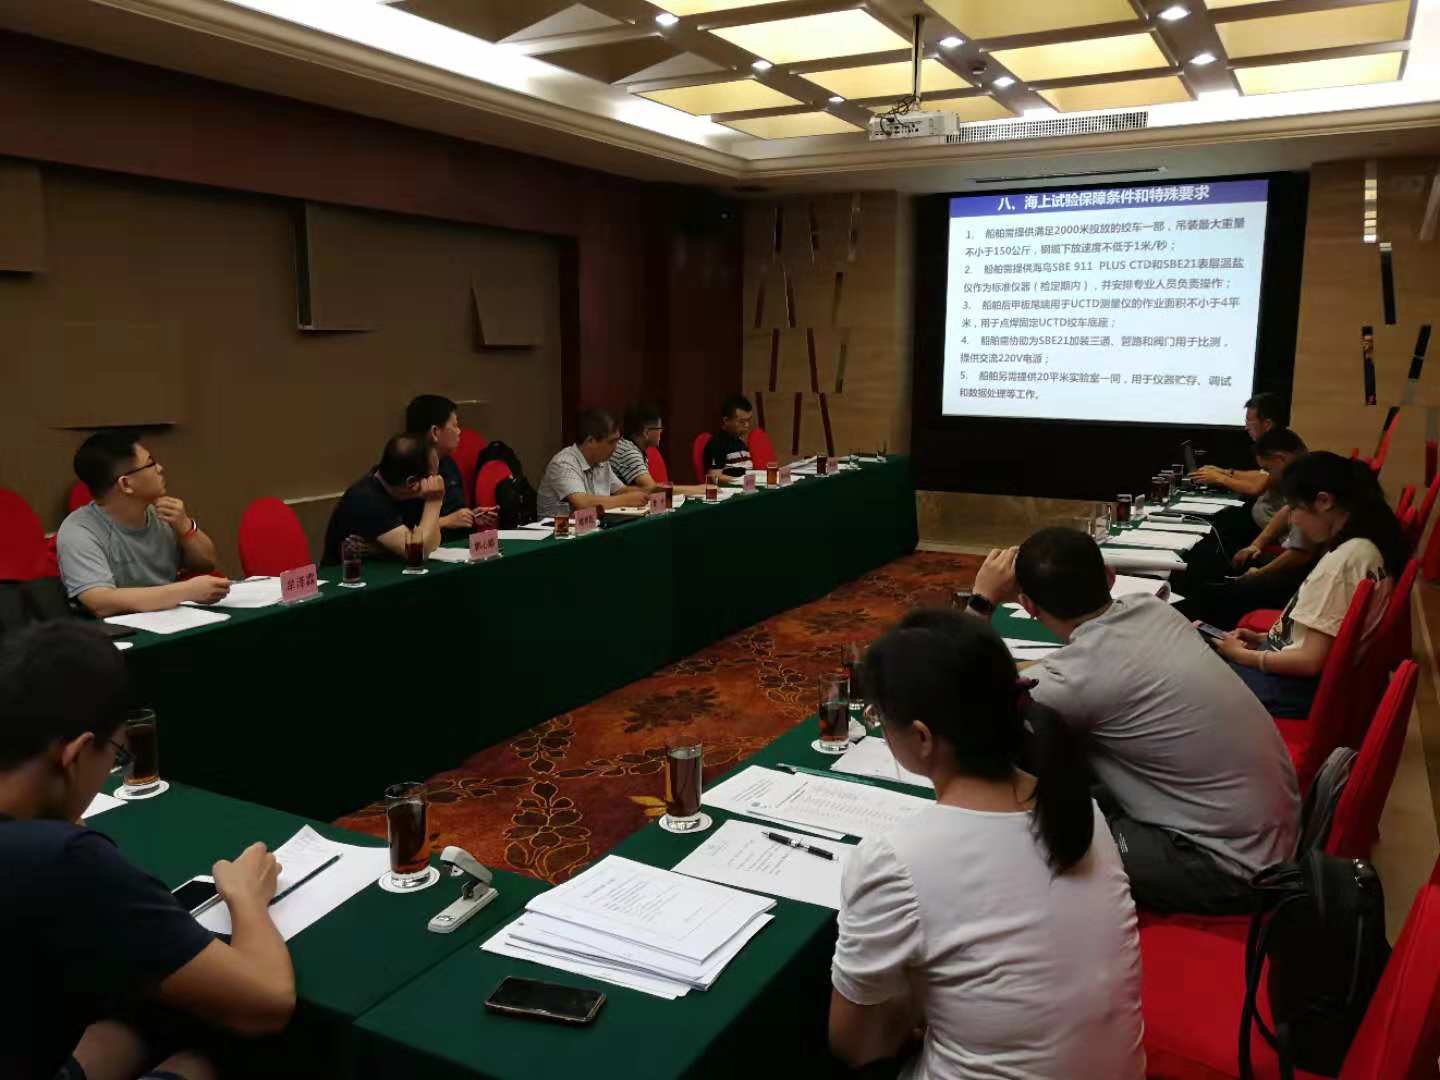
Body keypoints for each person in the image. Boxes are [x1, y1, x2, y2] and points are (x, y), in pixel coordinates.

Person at [829, 610, 1144, 1078]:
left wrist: (913, 999)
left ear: (922, 737)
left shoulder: (897, 860)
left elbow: (858, 1047)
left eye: (881, 719)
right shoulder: (1082, 809)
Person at [0, 621, 294, 1080]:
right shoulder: (61, 860)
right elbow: (267, 1002)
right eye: (115, 755)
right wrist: (246, 897)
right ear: (76, 755)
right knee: (216, 1057)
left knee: (134, 1024)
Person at [966, 528, 1299, 914]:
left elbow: (959, 698)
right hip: (1270, 829)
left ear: (1027, 605)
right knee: (1074, 778)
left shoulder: (1074, 681)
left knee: (1029, 830)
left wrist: (982, 601)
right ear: (1110, 576)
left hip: (1230, 865)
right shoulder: (1151, 608)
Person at [1210, 450, 1408, 718]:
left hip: (1290, 688)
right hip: (1298, 683)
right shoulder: (1365, 546)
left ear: (1324, 501)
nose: (1292, 520)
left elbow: (1310, 661)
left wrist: (1243, 656)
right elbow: (1322, 640)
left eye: (1295, 508)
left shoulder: (1343, 562)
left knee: (1187, 678)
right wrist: (1262, 639)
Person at [56, 432, 229, 618]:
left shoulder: (162, 513)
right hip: (122, 630)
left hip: (172, 618)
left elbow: (206, 564)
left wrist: (186, 527)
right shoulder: (79, 532)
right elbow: (100, 602)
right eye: (150, 463)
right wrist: (186, 591)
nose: (160, 468)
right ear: (126, 484)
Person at [1182, 428, 1319, 629]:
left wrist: (1261, 573)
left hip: (1303, 575)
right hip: (1293, 559)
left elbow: (1301, 554)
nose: (1267, 476)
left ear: (1280, 459)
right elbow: (1286, 511)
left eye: (1268, 470)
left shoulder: (1308, 482)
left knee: (1214, 594)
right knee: (1224, 564)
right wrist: (1256, 545)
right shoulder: (1304, 471)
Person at [321, 433, 445, 565]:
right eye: (433, 476)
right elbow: (418, 553)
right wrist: (434, 502)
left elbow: (433, 543)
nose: (437, 480)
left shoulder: (408, 492)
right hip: (346, 575)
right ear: (412, 482)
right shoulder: (366, 499)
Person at [404, 395, 495, 536]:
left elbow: (456, 513)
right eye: (455, 425)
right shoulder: (407, 472)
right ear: (435, 432)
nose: (459, 431)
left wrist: (471, 517)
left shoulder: (448, 463)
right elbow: (404, 533)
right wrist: (447, 521)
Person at [535, 409, 647, 519]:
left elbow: (621, 490)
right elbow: (583, 503)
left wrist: (648, 494)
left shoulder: (602, 461)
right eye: (611, 442)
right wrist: (627, 499)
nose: (616, 447)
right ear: (591, 441)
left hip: (593, 526)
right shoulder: (563, 463)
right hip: (558, 529)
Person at [1189, 391, 1288, 501]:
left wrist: (1219, 478)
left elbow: (1256, 488)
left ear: (1267, 424)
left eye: (1249, 421)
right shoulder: (1276, 442)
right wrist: (1224, 472)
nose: (1246, 427)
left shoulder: (1281, 448)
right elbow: (1262, 476)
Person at [610, 403, 704, 496]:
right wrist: (699, 489)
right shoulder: (628, 453)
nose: (661, 431)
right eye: (659, 428)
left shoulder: (630, 446)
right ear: (646, 432)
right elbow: (654, 490)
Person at [702, 395, 754, 483]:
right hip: (731, 490)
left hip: (747, 487)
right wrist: (742, 481)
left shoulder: (740, 443)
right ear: (726, 420)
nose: (747, 425)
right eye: (742, 421)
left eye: (748, 420)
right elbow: (715, 477)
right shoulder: (717, 443)